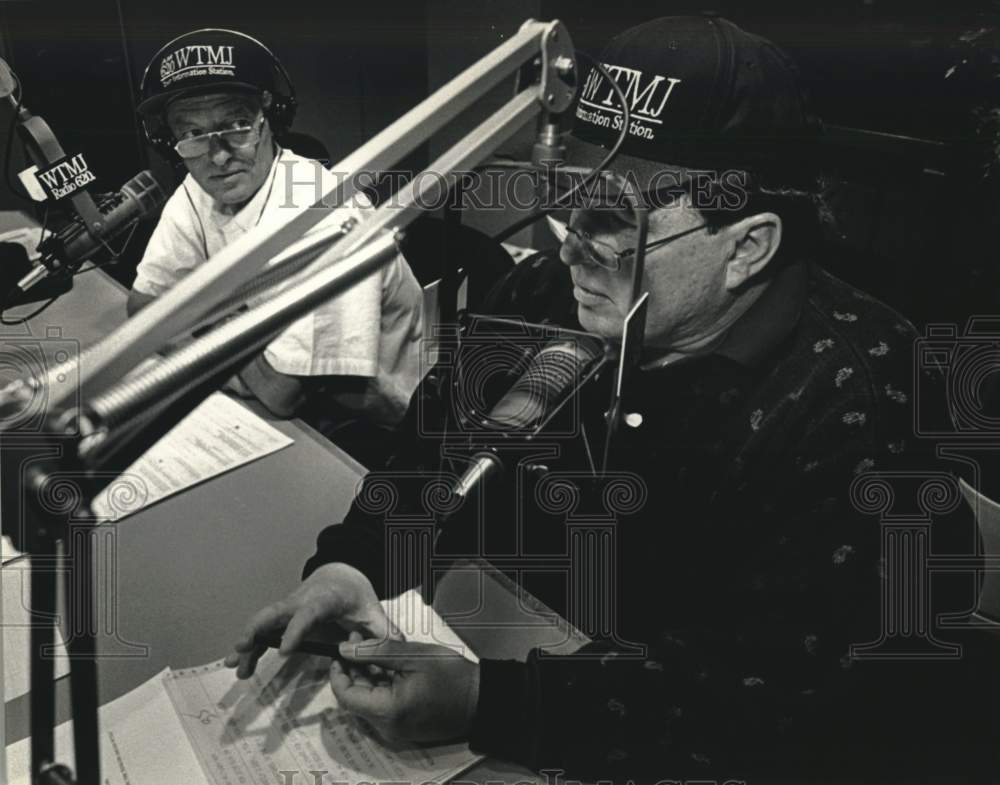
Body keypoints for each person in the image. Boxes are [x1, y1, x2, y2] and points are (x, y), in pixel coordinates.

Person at [225, 16, 992, 781]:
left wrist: (492, 703)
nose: (568, 246)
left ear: (747, 248)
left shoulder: (858, 402)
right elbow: (432, 454)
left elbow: (777, 701)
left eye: (612, 222)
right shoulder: (541, 297)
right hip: (533, 641)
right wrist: (354, 566)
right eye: (570, 200)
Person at [130, 28, 424, 433]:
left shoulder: (323, 210)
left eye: (235, 123)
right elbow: (144, 308)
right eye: (192, 133)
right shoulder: (199, 185)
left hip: (373, 429)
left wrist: (203, 317)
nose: (216, 155)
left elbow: (282, 393)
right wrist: (239, 342)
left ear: (270, 120)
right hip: (274, 417)